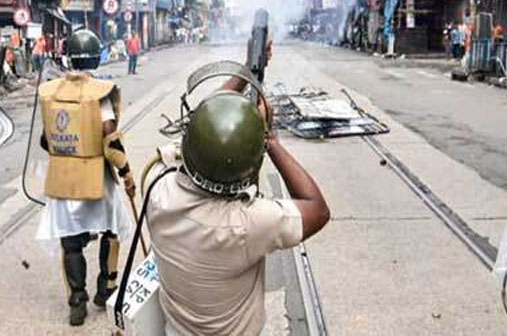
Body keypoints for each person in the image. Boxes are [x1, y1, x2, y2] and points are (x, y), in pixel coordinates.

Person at [144, 43, 330, 335]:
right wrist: (272, 141)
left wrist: (247, 68)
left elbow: (207, 119)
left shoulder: (158, 188)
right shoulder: (246, 225)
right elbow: (318, 209)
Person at [36, 29, 137, 326]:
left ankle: (76, 302)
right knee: (113, 229)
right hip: (96, 177)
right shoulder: (101, 93)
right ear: (95, 57)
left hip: (61, 179)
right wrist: (127, 172)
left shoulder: (50, 92)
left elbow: (47, 139)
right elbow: (110, 140)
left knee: (70, 243)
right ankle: (106, 287)